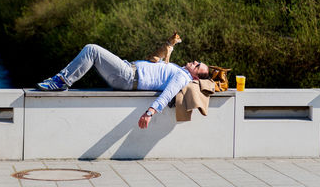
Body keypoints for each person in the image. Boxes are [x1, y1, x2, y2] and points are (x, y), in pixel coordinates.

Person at [37, 44, 209, 129]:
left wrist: (150, 113)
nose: (195, 62)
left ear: (194, 75)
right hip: (127, 70)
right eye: (197, 61)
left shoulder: (182, 76)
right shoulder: (179, 69)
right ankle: (62, 80)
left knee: (92, 49)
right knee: (93, 54)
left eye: (197, 65)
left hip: (128, 76)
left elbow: (168, 93)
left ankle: (61, 81)